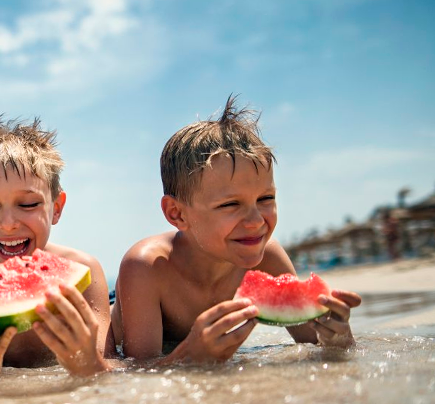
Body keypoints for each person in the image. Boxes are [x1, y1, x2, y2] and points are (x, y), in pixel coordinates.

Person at [112, 96, 362, 364]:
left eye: (265, 199)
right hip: (119, 305)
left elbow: (313, 343)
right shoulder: (147, 266)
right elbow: (136, 372)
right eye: (231, 204)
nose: (255, 221)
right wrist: (191, 359)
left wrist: (338, 340)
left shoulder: (268, 256)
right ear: (177, 213)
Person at [0, 116, 113, 381]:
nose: (8, 224)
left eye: (29, 204)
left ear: (56, 207)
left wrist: (89, 364)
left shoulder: (85, 272)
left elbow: (108, 373)